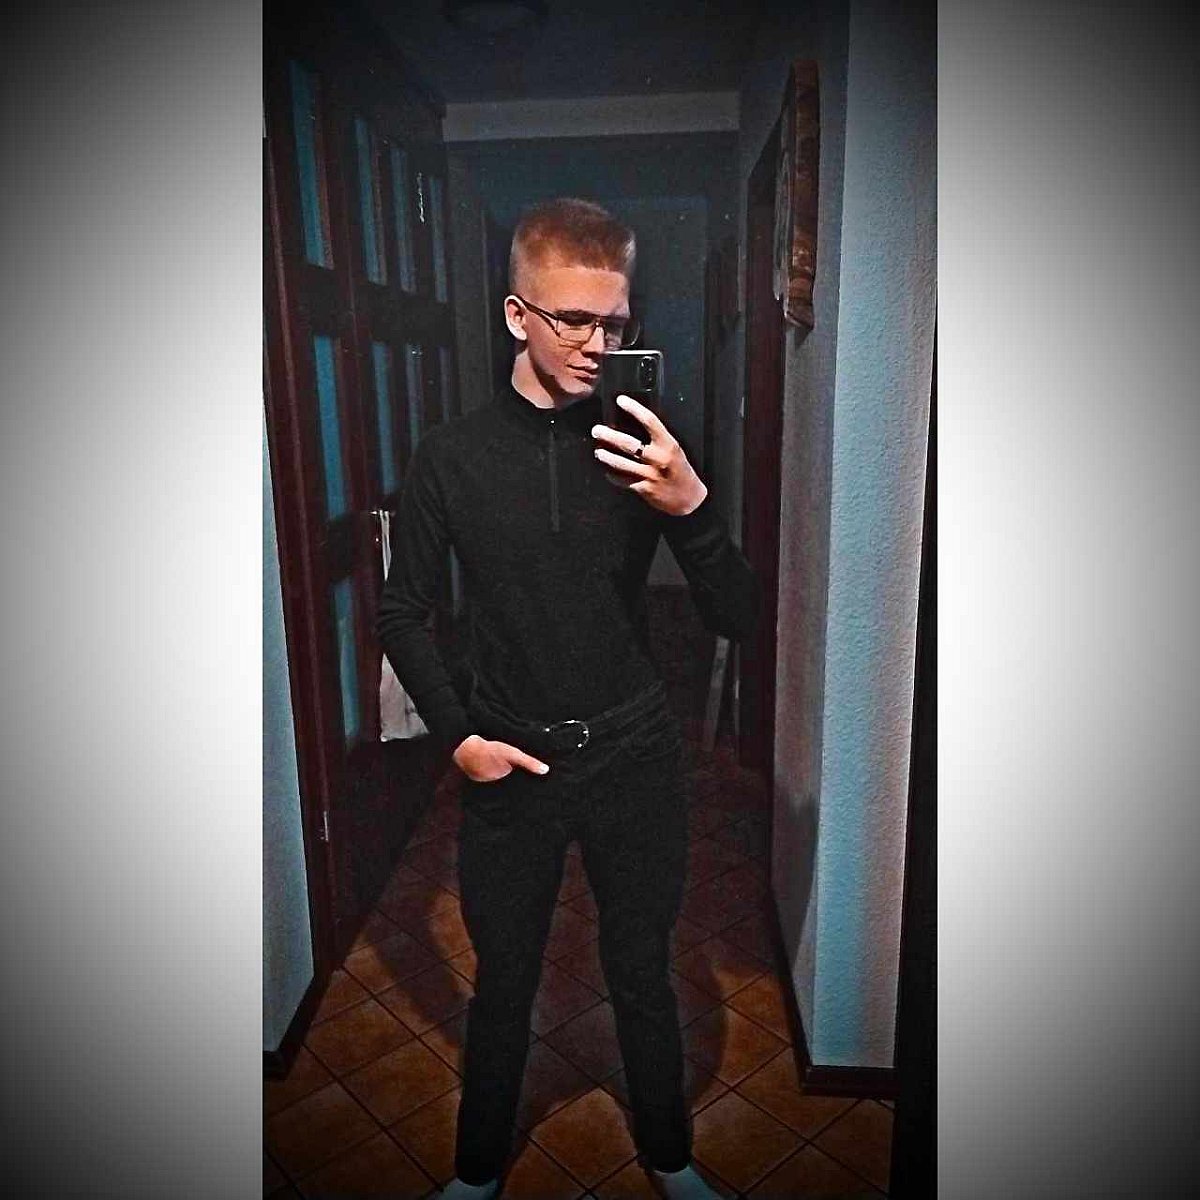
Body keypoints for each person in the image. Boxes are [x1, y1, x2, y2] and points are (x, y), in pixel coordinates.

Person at [376, 197, 758, 1199]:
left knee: (642, 971)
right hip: (510, 757)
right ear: (517, 315)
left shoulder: (644, 446)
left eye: (615, 324)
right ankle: (476, 1173)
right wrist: (458, 738)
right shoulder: (451, 457)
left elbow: (738, 615)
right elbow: (402, 611)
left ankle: (670, 1158)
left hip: (635, 752)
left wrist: (692, 507)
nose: (596, 346)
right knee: (505, 980)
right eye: (573, 321)